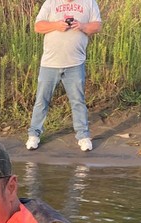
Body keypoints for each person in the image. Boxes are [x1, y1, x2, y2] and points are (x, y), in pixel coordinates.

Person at [25, 0, 102, 152]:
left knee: (78, 101)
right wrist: (56, 25)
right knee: (42, 100)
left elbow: (97, 26)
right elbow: (38, 26)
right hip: (50, 63)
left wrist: (82, 26)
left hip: (75, 63)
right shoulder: (51, 2)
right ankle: (34, 135)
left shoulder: (89, 2)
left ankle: (83, 136)